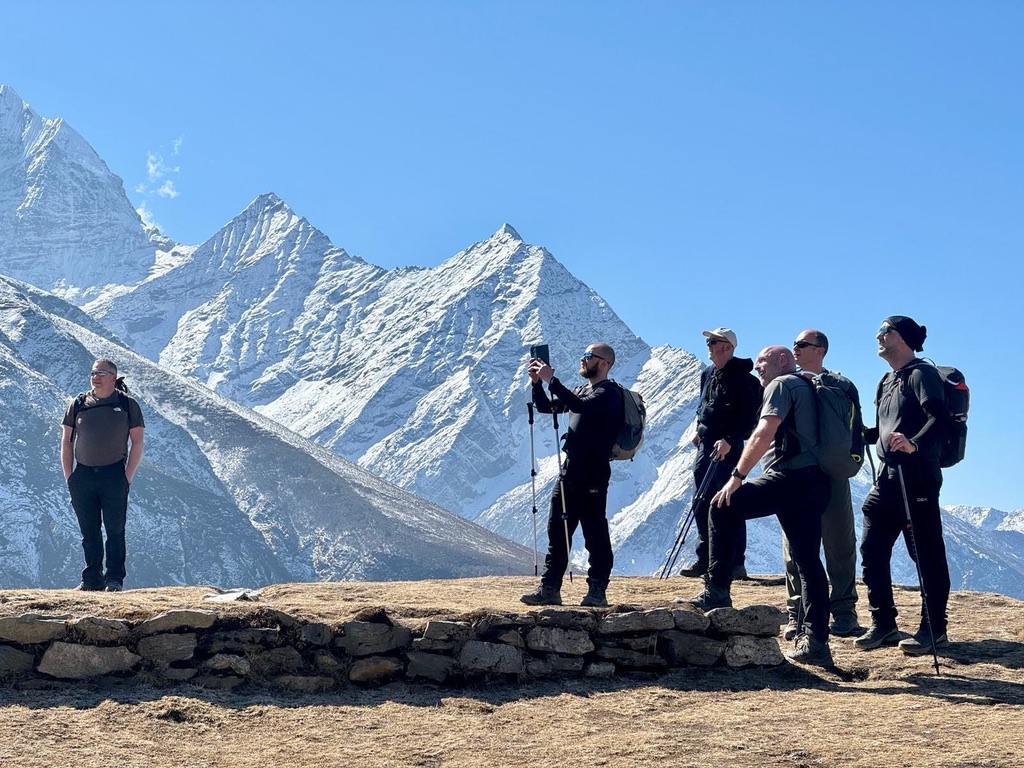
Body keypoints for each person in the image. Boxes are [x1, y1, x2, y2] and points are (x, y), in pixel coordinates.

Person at [689, 345, 833, 666]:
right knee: (808, 561)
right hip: (816, 482)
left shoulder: (781, 386)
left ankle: (717, 590)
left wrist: (737, 476)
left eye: (763, 361)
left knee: (721, 506)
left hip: (788, 475)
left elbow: (764, 432)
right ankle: (817, 643)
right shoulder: (809, 386)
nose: (757, 367)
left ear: (784, 361)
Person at [855, 316, 951, 655]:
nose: (878, 336)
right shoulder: (887, 380)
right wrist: (862, 435)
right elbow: (885, 427)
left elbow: (938, 418)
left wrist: (914, 444)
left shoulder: (921, 374)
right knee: (872, 548)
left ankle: (934, 629)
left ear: (904, 339)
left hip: (918, 476)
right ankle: (884, 623)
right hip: (888, 476)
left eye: (886, 332)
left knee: (925, 552)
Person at [520, 342, 623, 608]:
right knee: (557, 530)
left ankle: (597, 591)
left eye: (587, 356)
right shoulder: (583, 390)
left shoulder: (609, 393)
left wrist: (551, 379)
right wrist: (537, 384)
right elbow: (547, 408)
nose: (582, 359)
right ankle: (550, 588)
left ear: (603, 363)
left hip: (593, 472)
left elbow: (578, 404)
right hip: (571, 470)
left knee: (594, 532)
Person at [783, 329, 862, 639]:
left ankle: (843, 611)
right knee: (795, 548)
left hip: (832, 473)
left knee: (840, 544)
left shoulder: (840, 385)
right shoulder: (788, 383)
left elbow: (855, 430)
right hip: (798, 474)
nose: (795, 349)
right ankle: (797, 613)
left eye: (801, 345)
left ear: (820, 350)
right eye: (793, 345)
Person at [680, 328, 761, 580]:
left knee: (728, 502)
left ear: (727, 347)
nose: (708, 344)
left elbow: (750, 418)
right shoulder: (707, 374)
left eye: (713, 341)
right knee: (701, 500)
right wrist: (699, 431)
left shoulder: (745, 380)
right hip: (706, 445)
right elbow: (704, 407)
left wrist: (730, 439)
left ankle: (735, 562)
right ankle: (705, 558)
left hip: (728, 447)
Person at [61, 358, 145, 592]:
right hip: (83, 475)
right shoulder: (78, 403)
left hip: (114, 475)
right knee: (89, 531)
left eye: (102, 372)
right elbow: (66, 442)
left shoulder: (128, 405)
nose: (95, 376)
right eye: (93, 372)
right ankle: (91, 580)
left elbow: (137, 442)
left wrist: (127, 476)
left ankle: (114, 579)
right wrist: (70, 478)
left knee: (115, 530)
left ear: (113, 377)